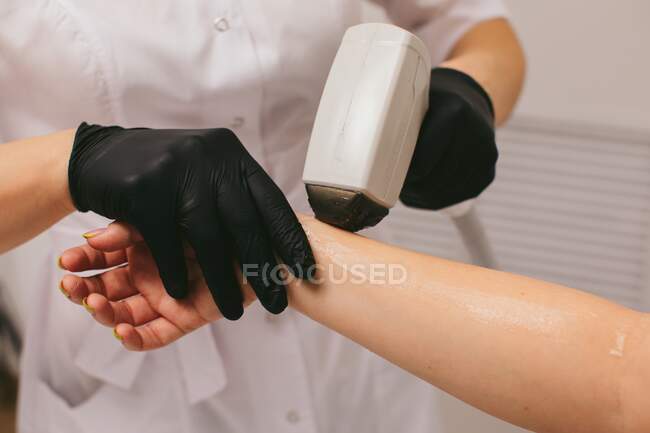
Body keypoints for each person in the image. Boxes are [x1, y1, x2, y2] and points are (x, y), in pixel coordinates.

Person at [0, 1, 525, 432]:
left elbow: (473, 22)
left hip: (347, 307)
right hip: (140, 321)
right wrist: (75, 162)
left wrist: (470, 90)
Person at [59, 216, 650, 433]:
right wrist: (73, 164)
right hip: (136, 330)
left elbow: (622, 386)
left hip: (355, 321)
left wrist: (268, 248)